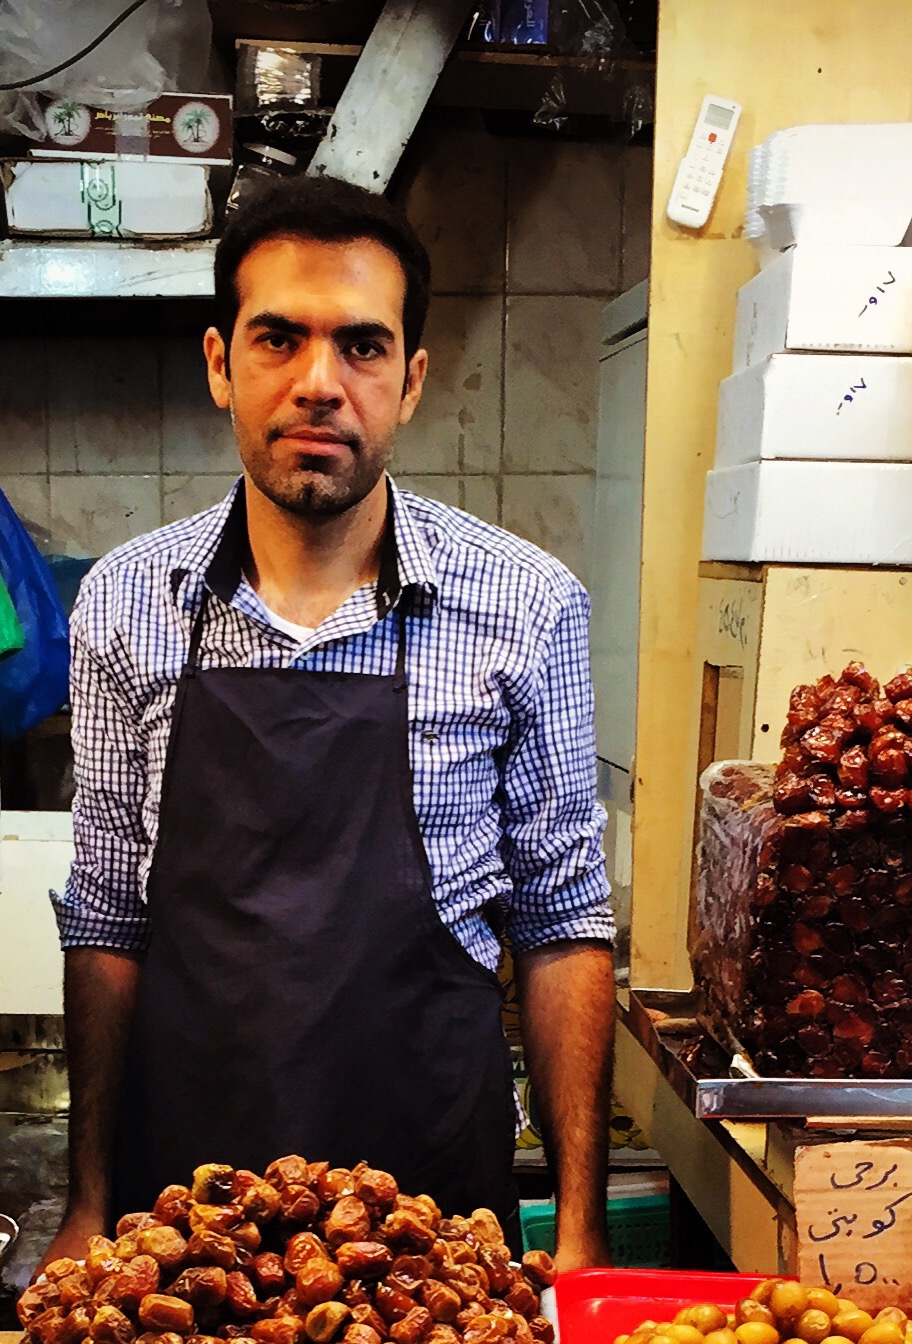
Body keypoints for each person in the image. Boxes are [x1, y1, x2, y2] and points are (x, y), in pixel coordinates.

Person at [42, 173, 615, 1272]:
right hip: (187, 1239)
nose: (319, 383)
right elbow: (107, 919)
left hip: (434, 1232)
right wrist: (88, 1203)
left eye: (361, 346)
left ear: (411, 381)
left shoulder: (526, 602)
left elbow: (562, 923)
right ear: (221, 364)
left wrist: (582, 1234)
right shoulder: (125, 600)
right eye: (279, 339)